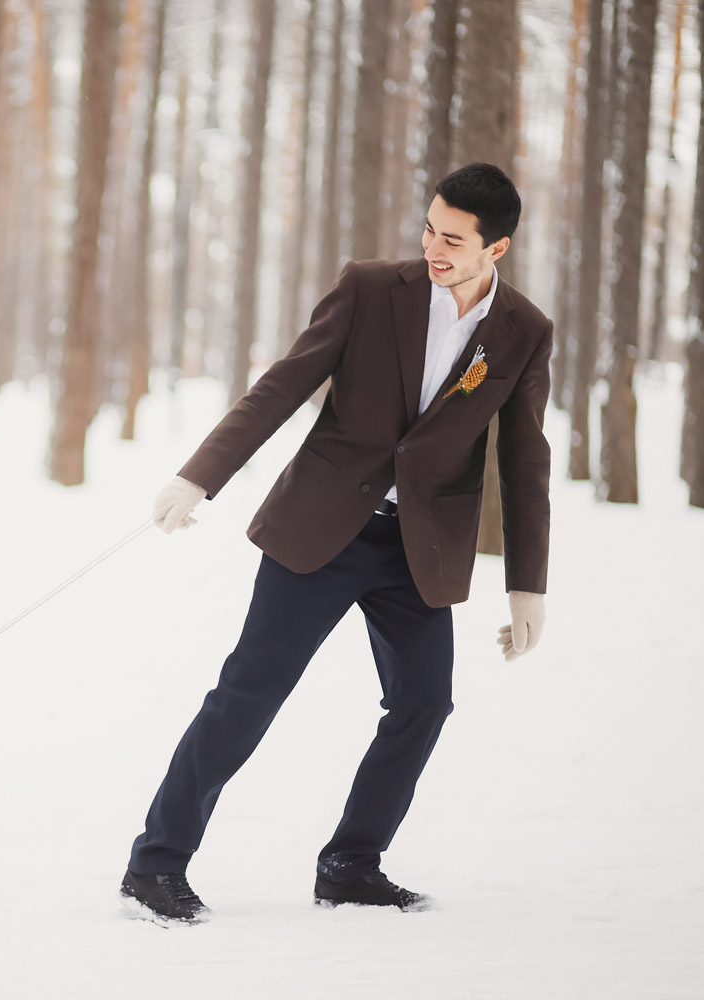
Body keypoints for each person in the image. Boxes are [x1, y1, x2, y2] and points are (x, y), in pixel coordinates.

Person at [120, 163, 552, 924]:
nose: (432, 246)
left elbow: (524, 463)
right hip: (319, 528)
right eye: (428, 227)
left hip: (419, 550)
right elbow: (283, 385)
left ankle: (352, 863)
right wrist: (199, 478)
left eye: (453, 238)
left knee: (424, 704)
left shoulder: (522, 332)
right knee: (247, 696)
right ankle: (156, 864)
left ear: (499, 248)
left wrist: (528, 588)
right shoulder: (369, 288)